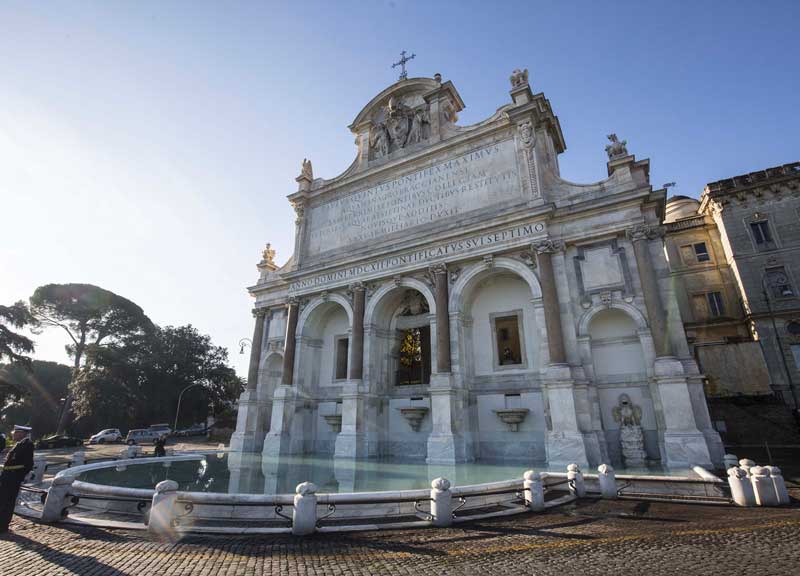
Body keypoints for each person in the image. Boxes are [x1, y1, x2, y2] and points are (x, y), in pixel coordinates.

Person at [0, 425, 34, 533]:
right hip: (8, 477)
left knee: (7, 502)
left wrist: (17, 477)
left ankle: (3, 525)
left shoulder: (27, 445)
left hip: (13, 478)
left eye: (15, 433)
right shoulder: (19, 444)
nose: (13, 434)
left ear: (22, 433)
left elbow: (28, 465)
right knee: (3, 501)